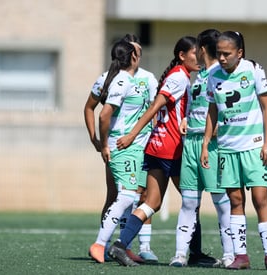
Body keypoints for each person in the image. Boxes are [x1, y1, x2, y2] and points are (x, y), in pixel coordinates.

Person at [106, 35, 212, 267]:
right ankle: (194, 253)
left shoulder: (181, 76)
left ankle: (120, 245)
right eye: (195, 53)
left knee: (151, 203)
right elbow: (156, 106)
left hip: (157, 146)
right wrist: (133, 134)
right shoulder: (179, 78)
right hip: (170, 149)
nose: (200, 57)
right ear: (182, 56)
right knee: (191, 200)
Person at [200, 31, 267, 271]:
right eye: (219, 54)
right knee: (235, 200)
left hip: (253, 146)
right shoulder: (212, 75)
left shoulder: (253, 70)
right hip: (227, 148)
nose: (222, 58)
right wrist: (206, 143)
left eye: (227, 54)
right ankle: (241, 256)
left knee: (260, 199)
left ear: (239, 53)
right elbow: (212, 111)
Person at [85, 34, 158, 264]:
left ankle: (122, 245)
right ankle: (102, 244)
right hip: (122, 146)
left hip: (138, 146)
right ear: (133, 56)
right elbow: (99, 112)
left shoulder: (145, 78)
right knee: (122, 196)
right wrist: (99, 141)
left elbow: (152, 111)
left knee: (133, 197)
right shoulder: (117, 80)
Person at [169, 29, 234, 268]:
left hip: (213, 146)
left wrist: (215, 131)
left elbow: (226, 109)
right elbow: (196, 106)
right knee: (188, 202)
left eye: (196, 50)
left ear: (202, 49)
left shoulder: (221, 75)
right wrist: (186, 119)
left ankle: (229, 254)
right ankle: (179, 254)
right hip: (191, 144)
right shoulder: (200, 76)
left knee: (221, 201)